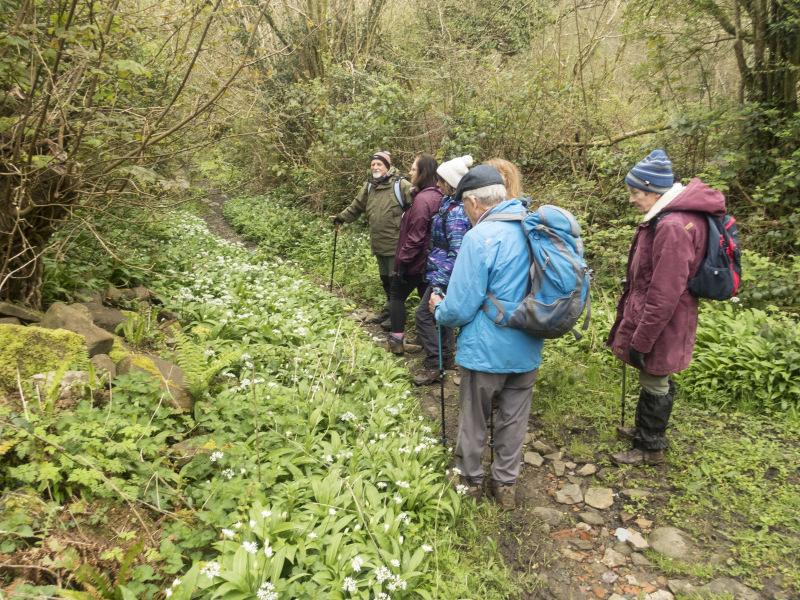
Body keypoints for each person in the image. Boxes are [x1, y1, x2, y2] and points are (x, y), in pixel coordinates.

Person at [429, 165, 543, 510]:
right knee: (514, 417)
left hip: (486, 347)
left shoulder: (480, 238)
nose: (465, 210)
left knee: (475, 415)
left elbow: (461, 307)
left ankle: (470, 478)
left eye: (465, 204)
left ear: (475, 201)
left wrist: (438, 308)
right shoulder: (533, 228)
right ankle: (505, 484)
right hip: (529, 342)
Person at [606, 149, 726, 466]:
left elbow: (665, 292)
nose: (632, 199)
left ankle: (650, 447)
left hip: (663, 320)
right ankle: (646, 430)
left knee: (656, 378)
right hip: (663, 317)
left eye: (635, 193)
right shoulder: (670, 219)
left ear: (651, 190)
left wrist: (641, 339)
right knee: (655, 376)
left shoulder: (672, 226)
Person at [331, 151, 413, 325]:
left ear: (388, 166)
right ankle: (388, 308)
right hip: (378, 242)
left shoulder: (402, 185)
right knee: (385, 280)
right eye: (373, 164)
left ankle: (395, 316)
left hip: (397, 243)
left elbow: (418, 208)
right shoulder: (369, 187)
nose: (375, 167)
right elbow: (356, 206)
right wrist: (341, 217)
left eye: (379, 164)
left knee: (395, 281)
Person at [413, 155, 473, 385]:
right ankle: (447, 357)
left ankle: (433, 364)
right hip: (441, 268)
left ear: (452, 184)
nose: (437, 184)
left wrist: (439, 281)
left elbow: (456, 252)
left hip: (446, 272)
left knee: (423, 315)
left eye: (441, 181)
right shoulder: (450, 203)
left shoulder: (457, 213)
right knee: (444, 316)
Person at [386, 154, 443, 354]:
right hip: (432, 261)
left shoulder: (422, 201)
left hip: (416, 260)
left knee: (397, 294)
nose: (409, 172)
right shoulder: (438, 196)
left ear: (422, 173)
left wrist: (402, 262)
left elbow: (416, 237)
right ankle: (424, 340)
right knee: (424, 299)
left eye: (413, 169)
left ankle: (396, 341)